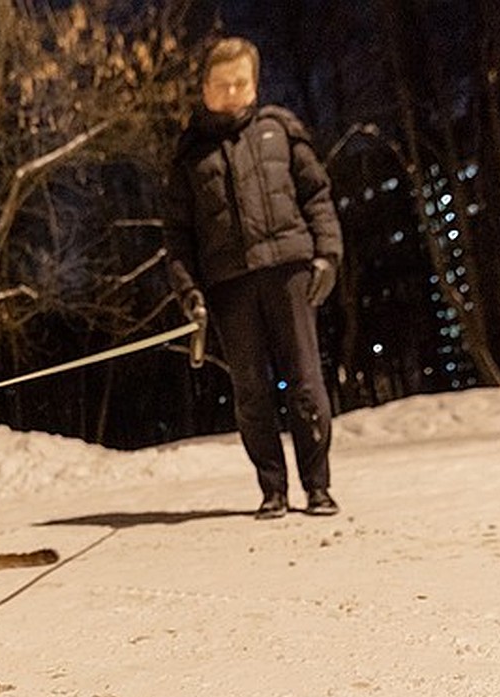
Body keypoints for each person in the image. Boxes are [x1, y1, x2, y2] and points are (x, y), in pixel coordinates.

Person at [164, 36, 343, 519]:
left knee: (306, 383)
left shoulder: (280, 129)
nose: (231, 93)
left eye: (240, 83)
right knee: (251, 392)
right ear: (204, 88)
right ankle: (273, 489)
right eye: (221, 85)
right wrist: (190, 293)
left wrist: (327, 255)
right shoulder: (188, 155)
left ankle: (318, 486)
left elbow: (317, 196)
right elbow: (178, 237)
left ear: (254, 83)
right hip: (229, 286)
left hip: (290, 272)